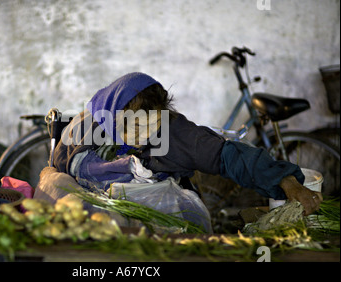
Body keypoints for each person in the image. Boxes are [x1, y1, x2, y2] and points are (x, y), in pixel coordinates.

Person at [34, 72, 322, 232]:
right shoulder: (87, 126)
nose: (143, 138)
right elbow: (59, 167)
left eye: (152, 127)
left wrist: (286, 181)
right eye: (133, 130)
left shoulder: (174, 133)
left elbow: (229, 155)